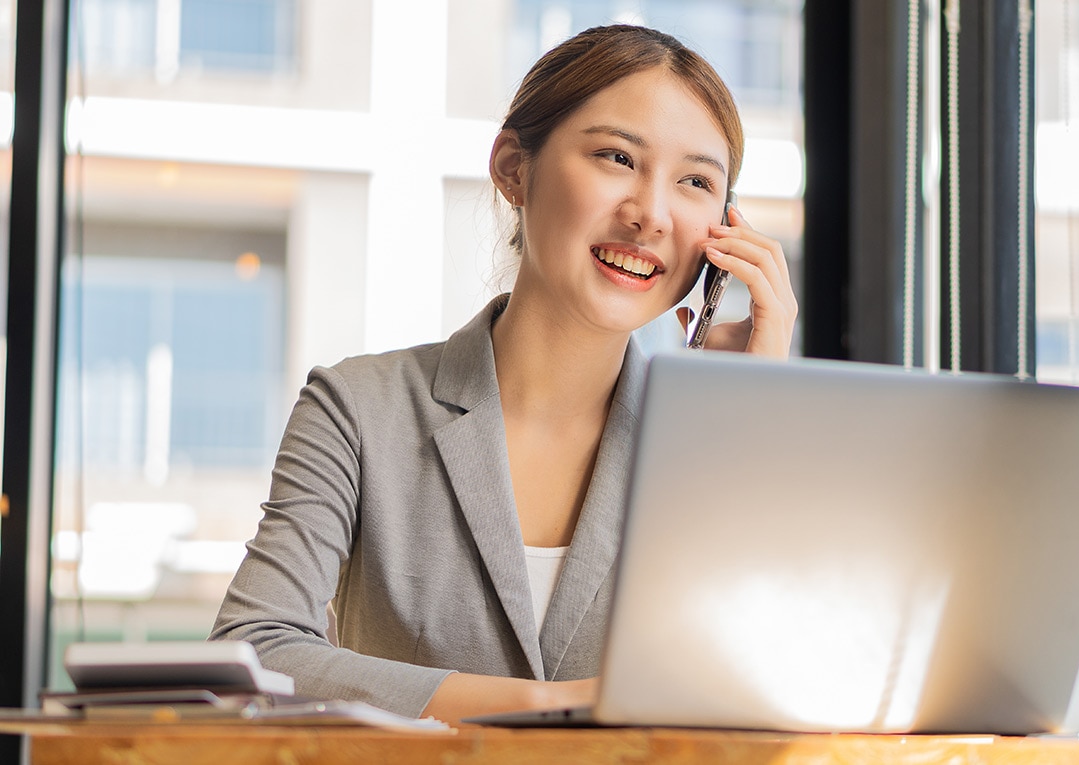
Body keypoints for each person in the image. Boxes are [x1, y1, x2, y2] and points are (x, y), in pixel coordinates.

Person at [210, 24, 797, 726]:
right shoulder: (358, 408)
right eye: (617, 157)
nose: (651, 215)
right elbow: (253, 651)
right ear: (514, 168)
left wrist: (758, 417)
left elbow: (776, 679)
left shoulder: (707, 444)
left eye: (695, 182)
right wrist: (547, 703)